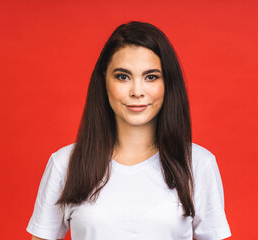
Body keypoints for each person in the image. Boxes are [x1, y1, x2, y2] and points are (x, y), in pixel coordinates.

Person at [26, 21, 231, 240]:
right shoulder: (65, 163)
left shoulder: (198, 164)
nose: (136, 91)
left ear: (168, 83)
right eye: (123, 76)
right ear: (104, 80)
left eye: (151, 76)